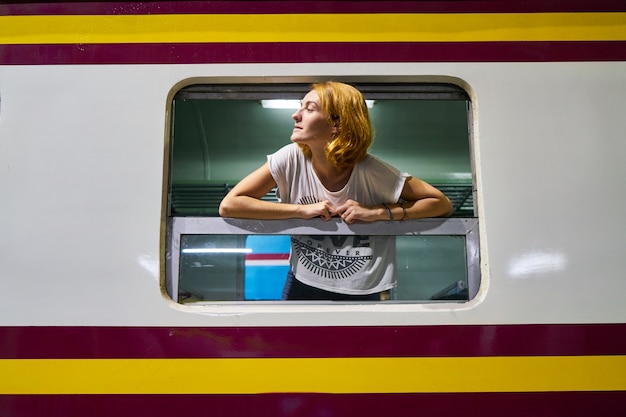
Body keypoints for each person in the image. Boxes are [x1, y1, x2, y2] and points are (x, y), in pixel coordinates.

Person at [219, 81, 452, 301]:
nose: (296, 115)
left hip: (363, 289)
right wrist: (300, 211)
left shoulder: (372, 170)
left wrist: (377, 213)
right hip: (302, 283)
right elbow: (230, 205)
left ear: (337, 124)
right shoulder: (290, 158)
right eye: (300, 107)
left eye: (309, 109)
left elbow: (440, 203)